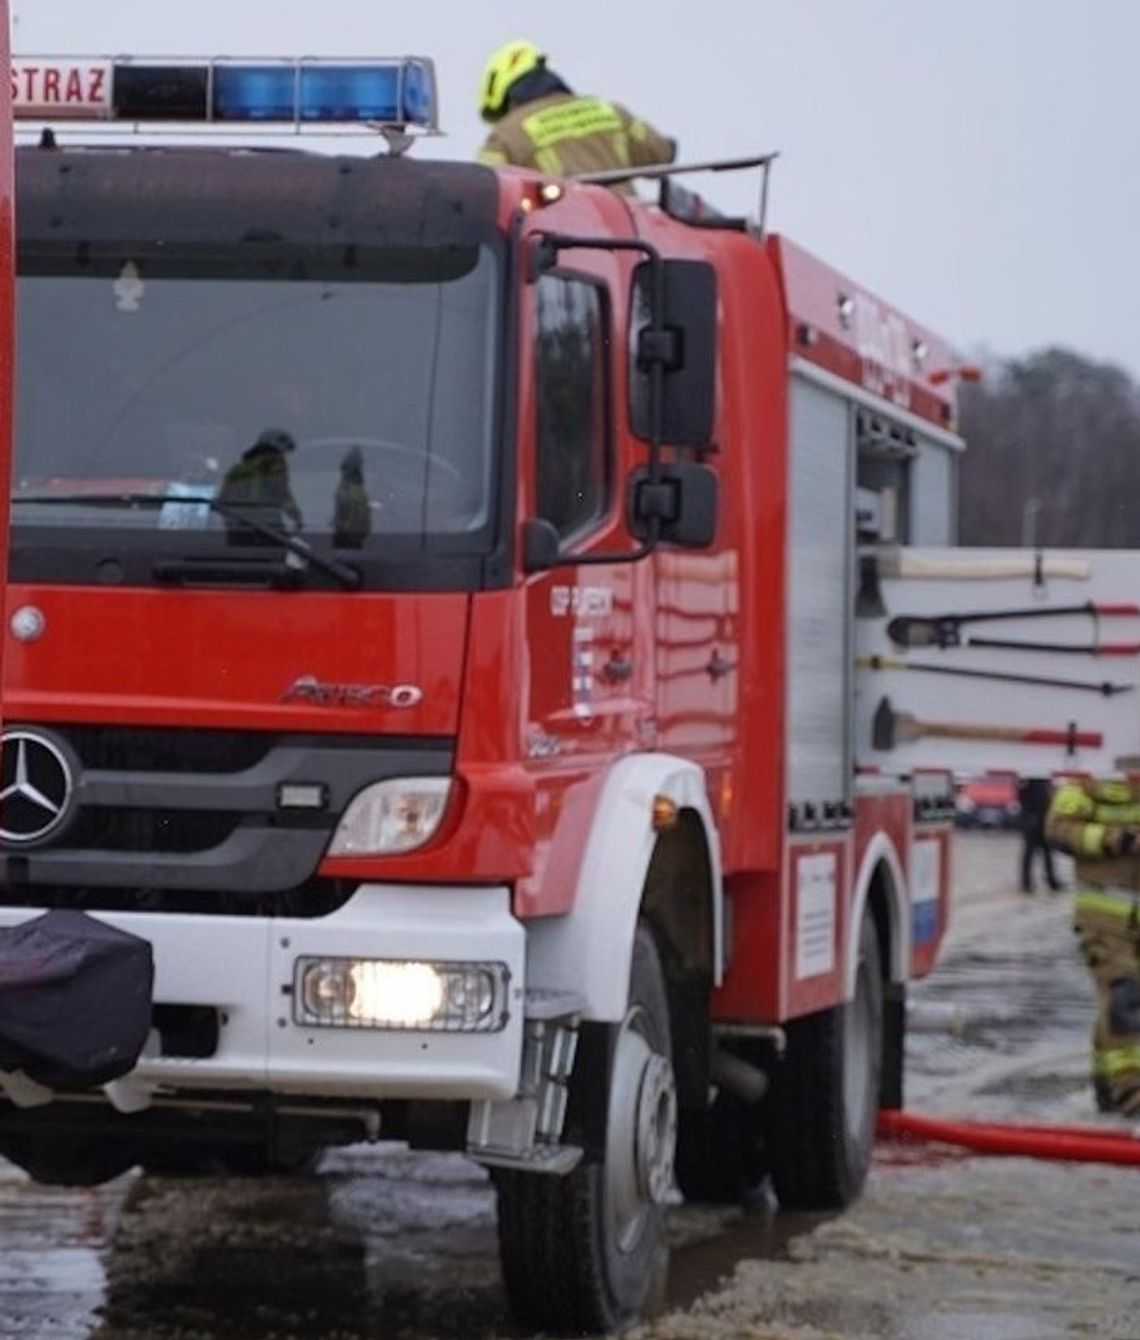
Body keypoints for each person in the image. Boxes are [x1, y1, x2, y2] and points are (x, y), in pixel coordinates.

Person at [1046, 773, 1140, 1115]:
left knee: (1115, 1005)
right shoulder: (1090, 779)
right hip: (1103, 915)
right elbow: (1058, 830)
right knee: (1124, 995)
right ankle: (1132, 1094)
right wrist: (1118, 839)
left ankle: (1106, 1088)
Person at [477, 39, 676, 181]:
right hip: (631, 234)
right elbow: (661, 153)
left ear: (504, 100)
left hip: (560, 235)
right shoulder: (608, 110)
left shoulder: (506, 135)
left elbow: (484, 191)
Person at [216, 427, 302, 545]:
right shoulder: (274, 463)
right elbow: (282, 493)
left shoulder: (237, 469)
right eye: (282, 452)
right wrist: (296, 516)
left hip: (239, 530)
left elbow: (221, 503)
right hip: (267, 527)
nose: (283, 456)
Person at [1018, 776, 1062, 894]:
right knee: (1030, 853)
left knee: (1047, 852)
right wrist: (1028, 816)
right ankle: (1026, 883)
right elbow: (1022, 795)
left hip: (1043, 819)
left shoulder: (1043, 777)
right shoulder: (1027, 776)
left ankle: (1052, 882)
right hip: (1032, 819)